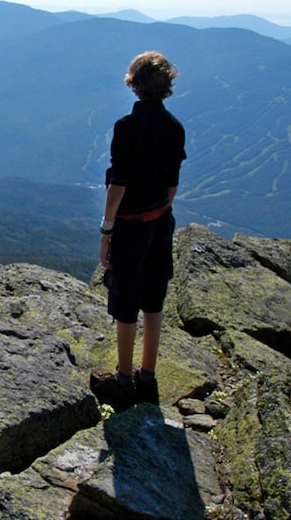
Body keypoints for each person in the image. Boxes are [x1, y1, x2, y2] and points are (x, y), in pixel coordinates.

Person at [90, 51, 186, 411]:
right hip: (161, 221)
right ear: (167, 85)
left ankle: (123, 380)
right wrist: (160, 214)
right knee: (154, 297)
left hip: (131, 228)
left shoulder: (126, 127)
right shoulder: (175, 127)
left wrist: (107, 230)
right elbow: (172, 184)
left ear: (133, 83)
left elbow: (118, 186)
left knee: (127, 301)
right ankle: (148, 377)